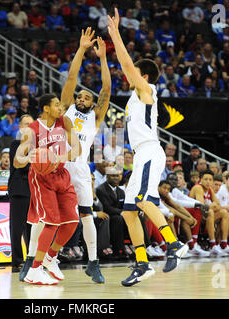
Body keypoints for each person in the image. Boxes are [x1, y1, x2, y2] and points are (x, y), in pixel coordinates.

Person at [107, 9, 187, 287]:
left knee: (143, 201)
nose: (129, 74)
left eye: (135, 72)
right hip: (141, 154)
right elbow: (125, 67)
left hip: (150, 151)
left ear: (144, 75)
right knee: (129, 211)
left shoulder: (147, 90)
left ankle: (174, 245)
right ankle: (142, 264)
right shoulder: (134, 96)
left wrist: (115, 34)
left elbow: (126, 65)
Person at [59, 28, 112, 284]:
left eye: (86, 97)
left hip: (79, 169)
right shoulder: (67, 107)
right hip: (59, 165)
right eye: (79, 95)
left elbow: (107, 88)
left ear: (92, 103)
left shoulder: (96, 116)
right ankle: (45, 258)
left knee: (86, 214)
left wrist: (102, 58)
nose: (81, 98)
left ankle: (93, 262)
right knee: (55, 215)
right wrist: (81, 49)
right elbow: (71, 77)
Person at [14, 93, 81, 285]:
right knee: (51, 222)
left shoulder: (63, 122)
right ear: (45, 108)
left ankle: (50, 257)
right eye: (57, 104)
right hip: (41, 178)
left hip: (61, 174)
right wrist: (31, 158)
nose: (60, 108)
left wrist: (58, 158)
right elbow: (17, 161)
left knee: (71, 221)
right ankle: (34, 270)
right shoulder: (32, 130)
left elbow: (77, 149)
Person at [8, 114, 33, 273]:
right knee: (17, 228)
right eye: (26, 124)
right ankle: (17, 261)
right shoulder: (15, 144)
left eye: (32, 124)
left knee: (32, 228)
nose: (29, 127)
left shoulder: (38, 146)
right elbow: (21, 165)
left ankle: (32, 259)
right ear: (20, 127)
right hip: (19, 190)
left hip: (33, 190)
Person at [189, 170, 229, 256]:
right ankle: (213, 245)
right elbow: (202, 206)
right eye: (206, 179)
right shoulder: (198, 188)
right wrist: (213, 205)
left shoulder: (210, 189)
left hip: (204, 217)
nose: (208, 182)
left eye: (210, 180)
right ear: (201, 179)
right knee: (210, 212)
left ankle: (224, 244)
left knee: (224, 212)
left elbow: (219, 205)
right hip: (193, 217)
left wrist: (211, 205)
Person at [96, 167, 128, 261]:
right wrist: (122, 212)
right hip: (107, 215)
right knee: (118, 219)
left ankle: (143, 246)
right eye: (113, 176)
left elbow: (123, 206)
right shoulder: (101, 189)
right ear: (107, 177)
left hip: (118, 215)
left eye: (117, 176)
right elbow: (107, 207)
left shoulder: (121, 191)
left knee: (134, 218)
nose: (116, 178)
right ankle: (118, 249)